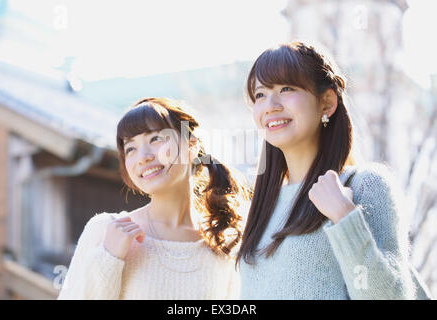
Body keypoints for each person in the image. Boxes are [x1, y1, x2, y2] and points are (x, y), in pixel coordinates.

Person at [236, 41, 433, 300]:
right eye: (260, 94)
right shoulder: (262, 204)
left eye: (286, 88)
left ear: (327, 102)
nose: (270, 105)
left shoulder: (363, 186)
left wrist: (344, 217)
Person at [58, 97, 251, 299]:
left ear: (192, 146)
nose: (143, 157)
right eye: (130, 148)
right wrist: (108, 257)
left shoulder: (222, 242)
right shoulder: (106, 230)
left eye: (155, 139)